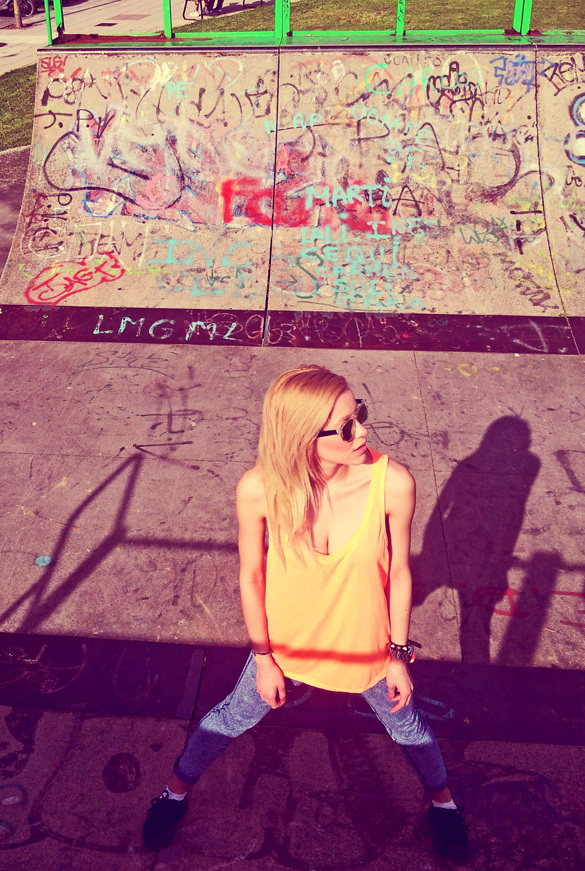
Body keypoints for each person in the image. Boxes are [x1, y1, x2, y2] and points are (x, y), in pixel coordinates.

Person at [143, 365, 468, 858]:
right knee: (231, 717)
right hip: (285, 644)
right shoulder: (260, 488)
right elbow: (251, 577)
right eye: (345, 427)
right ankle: (173, 794)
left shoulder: (392, 483)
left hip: (365, 644)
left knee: (407, 727)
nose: (363, 432)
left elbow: (401, 573)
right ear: (302, 437)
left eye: (359, 415)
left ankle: (444, 805)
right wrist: (264, 659)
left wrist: (398, 655)